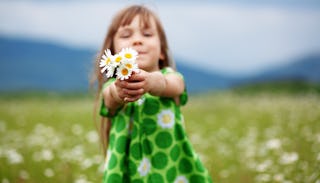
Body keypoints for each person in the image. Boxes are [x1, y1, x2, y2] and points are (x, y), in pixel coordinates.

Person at [93, 4, 213, 183]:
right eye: (126, 35)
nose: (137, 41)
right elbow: (110, 98)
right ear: (112, 53)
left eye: (147, 34)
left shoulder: (170, 78)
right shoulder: (113, 86)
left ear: (163, 52)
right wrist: (120, 91)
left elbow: (175, 85)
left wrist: (152, 82)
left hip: (169, 170)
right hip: (127, 172)